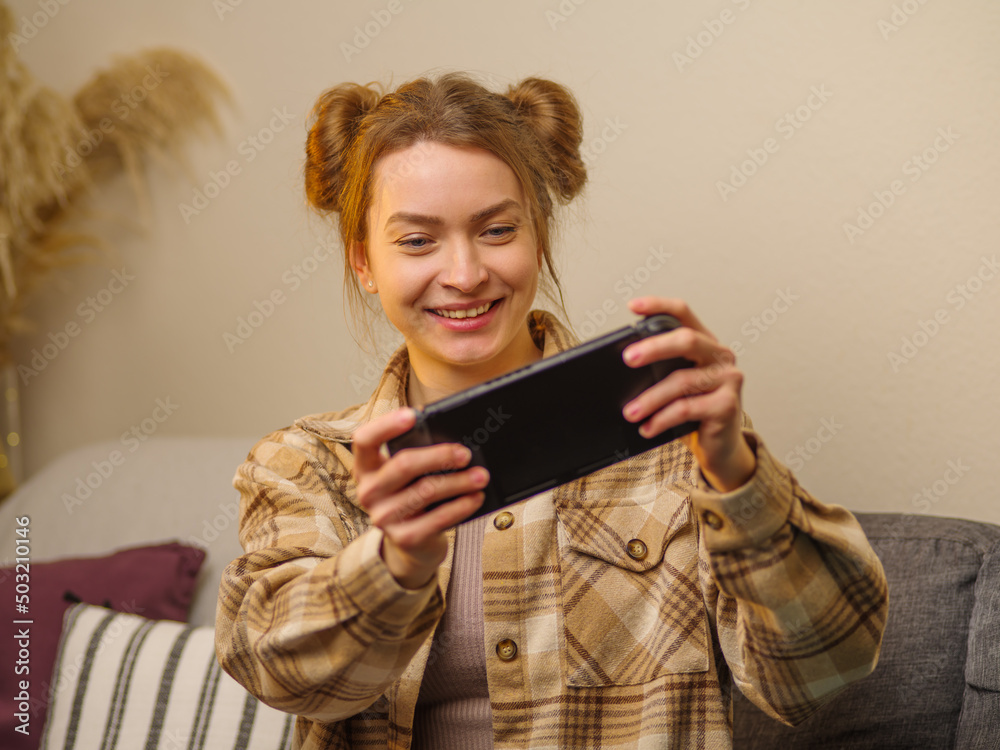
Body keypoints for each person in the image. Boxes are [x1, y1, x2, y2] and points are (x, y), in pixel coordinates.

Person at [215, 72, 888, 750]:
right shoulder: (305, 464)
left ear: (539, 236)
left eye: (497, 230)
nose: (466, 273)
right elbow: (283, 675)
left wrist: (738, 477)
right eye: (417, 241)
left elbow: (823, 673)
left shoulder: (670, 433)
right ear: (365, 262)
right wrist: (396, 563)